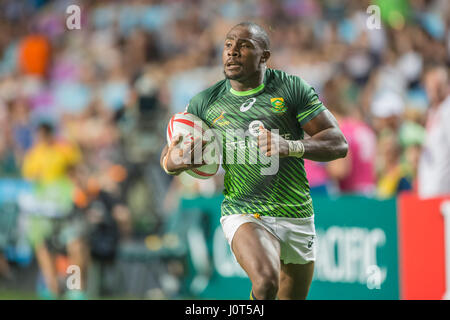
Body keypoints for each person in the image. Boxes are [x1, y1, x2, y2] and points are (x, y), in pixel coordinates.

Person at [159, 22, 348, 300]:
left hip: (296, 214)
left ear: (264, 56)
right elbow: (168, 157)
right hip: (243, 210)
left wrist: (291, 146)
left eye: (244, 45)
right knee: (265, 282)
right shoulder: (206, 102)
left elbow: (338, 143)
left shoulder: (291, 88)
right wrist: (176, 160)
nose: (232, 52)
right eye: (228, 45)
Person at [417, 66, 450, 199]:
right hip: (429, 189)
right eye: (428, 85)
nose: (430, 89)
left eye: (434, 85)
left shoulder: (447, 110)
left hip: (442, 191)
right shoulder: (433, 111)